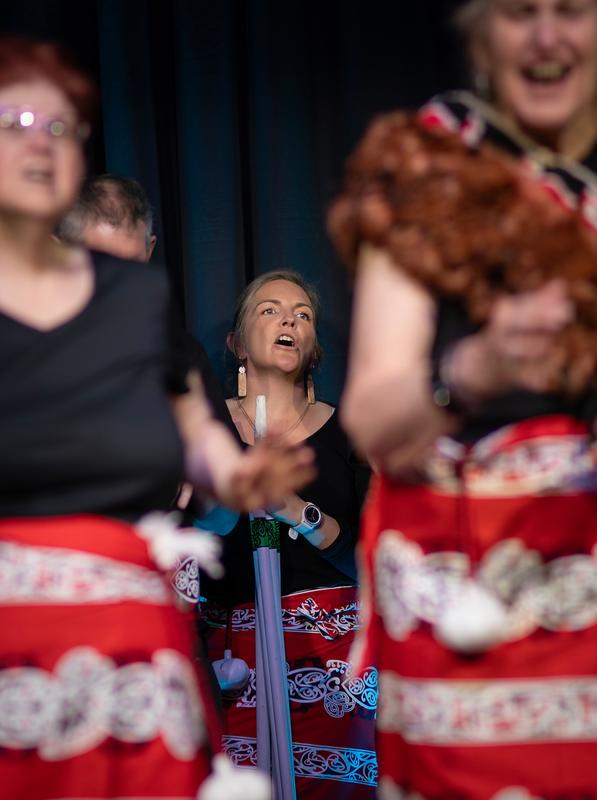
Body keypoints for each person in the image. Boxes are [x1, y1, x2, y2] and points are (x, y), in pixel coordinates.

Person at [0, 37, 314, 800]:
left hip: (132, 636)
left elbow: (199, 439)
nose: (41, 141)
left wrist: (238, 474)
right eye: (19, 121)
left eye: (62, 126)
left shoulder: (141, 305)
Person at [329, 1, 597, 798]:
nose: (546, 37)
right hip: (470, 599)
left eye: (570, 11)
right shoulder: (425, 172)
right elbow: (372, 420)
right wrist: (472, 370)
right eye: (521, 13)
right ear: (479, 32)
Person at [202, 271, 377, 798]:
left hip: (333, 661)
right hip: (230, 656)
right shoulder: (203, 432)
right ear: (236, 342)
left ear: (314, 346)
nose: (289, 321)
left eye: (303, 315)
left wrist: (299, 512)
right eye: (270, 309)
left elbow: (370, 558)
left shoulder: (352, 431)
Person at [56, 173, 236, 442]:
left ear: (149, 250)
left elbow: (212, 446)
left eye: (130, 267)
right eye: (101, 264)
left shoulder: (180, 352)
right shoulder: (23, 343)